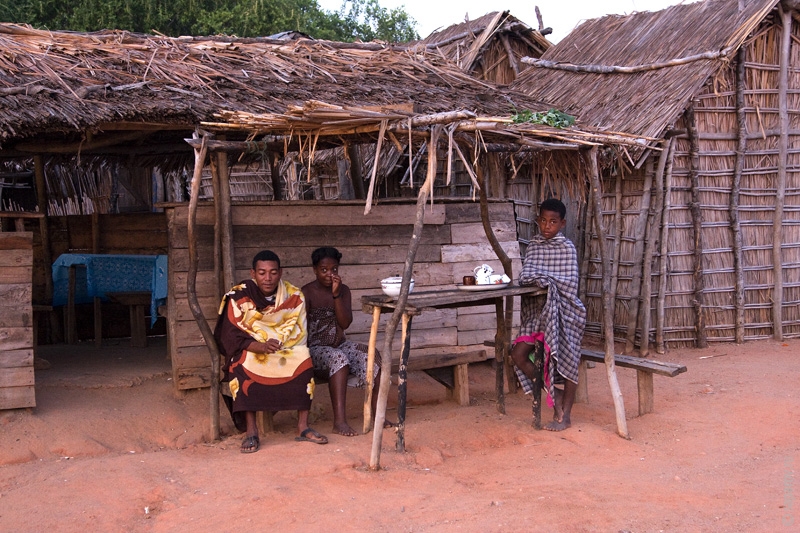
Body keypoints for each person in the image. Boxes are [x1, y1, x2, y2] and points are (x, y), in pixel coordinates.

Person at [214, 250, 328, 453]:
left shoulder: (294, 297)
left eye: (273, 272)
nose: (268, 278)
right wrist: (260, 346)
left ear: (281, 272)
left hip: (284, 348)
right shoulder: (238, 296)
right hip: (251, 349)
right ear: (253, 273)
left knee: (304, 360)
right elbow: (230, 335)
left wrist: (277, 346)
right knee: (242, 364)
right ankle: (251, 431)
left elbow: (299, 334)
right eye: (262, 273)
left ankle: (303, 426)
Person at [510, 198, 586, 431]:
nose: (547, 226)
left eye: (553, 222)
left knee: (569, 357)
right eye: (543, 220)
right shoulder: (533, 246)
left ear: (562, 223)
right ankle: (556, 392)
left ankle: (565, 415)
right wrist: (541, 282)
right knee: (518, 355)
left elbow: (568, 284)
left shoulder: (567, 249)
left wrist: (546, 282)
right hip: (538, 315)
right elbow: (527, 276)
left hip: (566, 313)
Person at [301, 247, 394, 436]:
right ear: (315, 270)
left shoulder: (343, 291)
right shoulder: (307, 292)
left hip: (339, 344)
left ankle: (378, 414)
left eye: (334, 269)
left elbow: (345, 322)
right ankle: (340, 422)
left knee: (371, 354)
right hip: (314, 350)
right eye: (324, 270)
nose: (329, 274)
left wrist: (336, 295)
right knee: (338, 359)